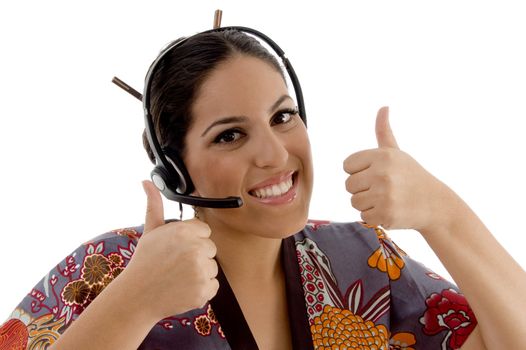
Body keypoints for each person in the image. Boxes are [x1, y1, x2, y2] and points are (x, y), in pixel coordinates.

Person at [1, 25, 525, 350]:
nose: (275, 154)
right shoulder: (111, 268)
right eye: (230, 135)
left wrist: (445, 215)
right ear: (174, 168)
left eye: (283, 116)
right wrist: (132, 305)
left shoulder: (363, 260)